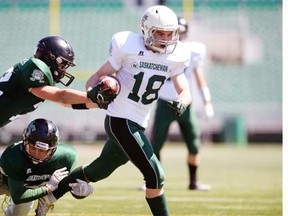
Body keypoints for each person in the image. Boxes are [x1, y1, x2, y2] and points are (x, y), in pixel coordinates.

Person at [36, 5, 192, 216]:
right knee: (156, 175)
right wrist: (93, 93)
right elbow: (96, 77)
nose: (165, 38)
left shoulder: (177, 55)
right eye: (160, 33)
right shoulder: (127, 45)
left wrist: (182, 102)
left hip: (138, 122)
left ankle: (50, 196)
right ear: (147, 30)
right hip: (120, 119)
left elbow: (185, 90)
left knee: (99, 170)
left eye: (169, 33)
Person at [147, 16, 215, 191]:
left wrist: (207, 101)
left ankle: (193, 181)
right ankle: (154, 180)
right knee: (155, 145)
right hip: (164, 102)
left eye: (182, 32)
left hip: (185, 104)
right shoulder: (157, 49)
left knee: (194, 144)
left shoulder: (192, 51)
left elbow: (199, 78)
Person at [0, 35, 105, 128]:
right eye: (63, 64)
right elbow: (61, 97)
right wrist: (93, 96)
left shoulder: (35, 75)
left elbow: (66, 103)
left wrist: (98, 104)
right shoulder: (35, 69)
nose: (64, 70)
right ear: (50, 58)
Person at [0, 118, 94, 216]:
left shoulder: (66, 157)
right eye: (32, 148)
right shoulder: (13, 156)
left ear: (52, 150)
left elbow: (67, 184)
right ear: (25, 142)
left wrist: (82, 188)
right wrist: (48, 188)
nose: (36, 154)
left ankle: (44, 203)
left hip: (29, 188)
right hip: (7, 182)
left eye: (42, 150)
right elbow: (19, 196)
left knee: (18, 213)